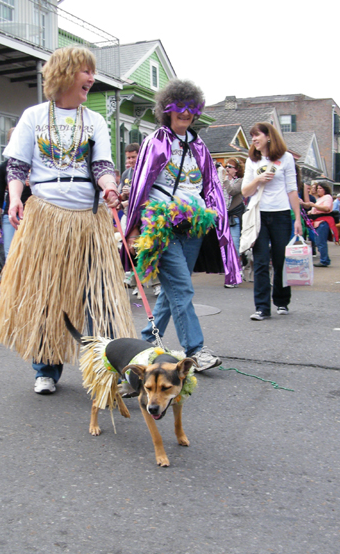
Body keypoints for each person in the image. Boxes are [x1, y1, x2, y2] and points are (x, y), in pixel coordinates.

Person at [0, 46, 134, 395]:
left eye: (91, 71)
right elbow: (17, 165)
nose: (91, 78)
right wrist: (12, 199)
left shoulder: (94, 120)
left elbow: (101, 165)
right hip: (46, 215)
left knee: (98, 296)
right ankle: (45, 369)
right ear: (65, 73)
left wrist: (111, 188)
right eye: (85, 71)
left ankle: (106, 369)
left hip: (89, 218)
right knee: (47, 295)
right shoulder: (34, 116)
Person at [122, 78, 238, 368]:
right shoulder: (156, 141)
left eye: (191, 108)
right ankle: (195, 350)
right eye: (179, 107)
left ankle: (145, 341)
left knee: (173, 290)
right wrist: (135, 225)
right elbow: (141, 184)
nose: (185, 113)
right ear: (167, 110)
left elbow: (210, 186)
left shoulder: (199, 146)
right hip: (163, 226)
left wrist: (216, 219)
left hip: (194, 227)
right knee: (183, 289)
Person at [241, 122, 303, 319]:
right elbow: (245, 191)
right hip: (259, 213)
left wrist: (297, 219)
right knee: (259, 261)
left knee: (280, 260)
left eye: (257, 135)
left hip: (281, 214)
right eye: (252, 137)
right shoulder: (252, 160)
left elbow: (292, 189)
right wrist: (258, 180)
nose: (254, 140)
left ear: (269, 136)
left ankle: (282, 301)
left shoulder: (286, 158)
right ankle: (261, 308)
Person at [301, 182, 337, 267]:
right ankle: (325, 259)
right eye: (317, 188)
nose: (318, 190)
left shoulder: (327, 197)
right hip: (317, 222)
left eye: (320, 188)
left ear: (325, 189)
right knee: (318, 241)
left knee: (321, 242)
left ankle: (324, 260)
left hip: (322, 222)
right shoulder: (320, 198)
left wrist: (313, 205)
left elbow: (326, 208)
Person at [222, 157, 245, 286]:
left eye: (230, 167)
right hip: (223, 217)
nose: (227, 169)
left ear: (236, 170)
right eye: (226, 166)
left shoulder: (240, 181)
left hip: (234, 217)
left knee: (235, 246)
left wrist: (226, 180)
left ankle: (235, 273)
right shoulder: (222, 180)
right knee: (225, 247)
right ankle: (233, 271)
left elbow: (232, 191)